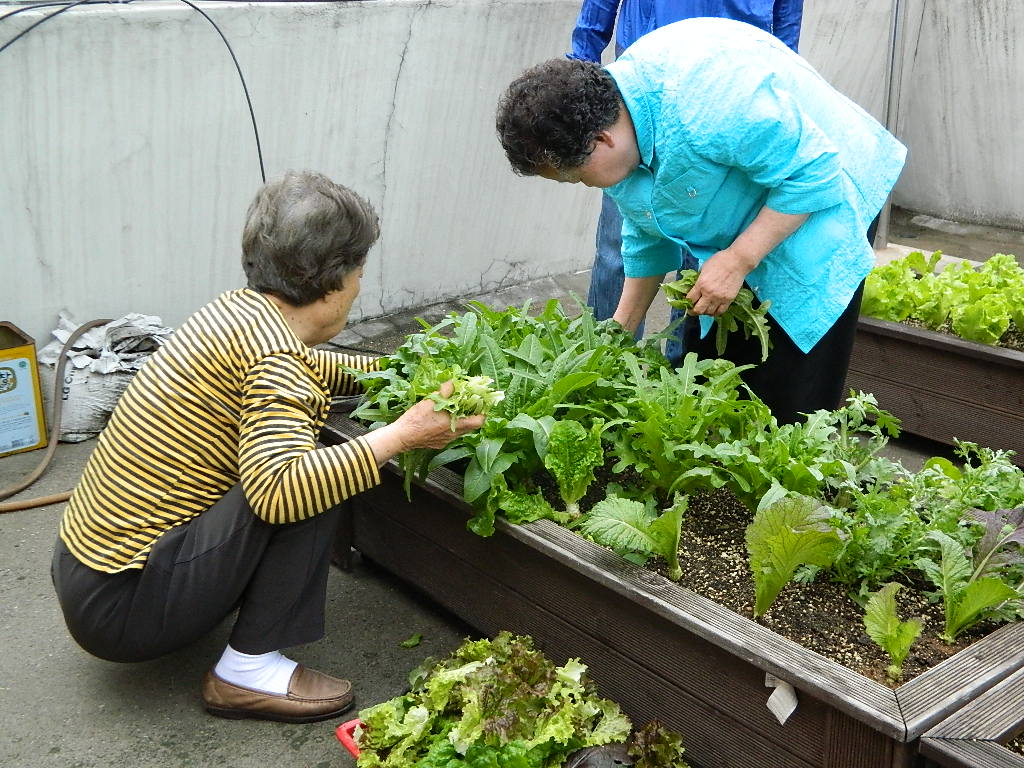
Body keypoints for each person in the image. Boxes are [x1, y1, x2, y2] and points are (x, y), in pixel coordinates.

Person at [51, 170, 485, 723]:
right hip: (124, 609)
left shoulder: (239, 312)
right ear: (333, 281)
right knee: (315, 479)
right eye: (358, 271)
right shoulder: (276, 363)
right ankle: (246, 672)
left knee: (305, 462)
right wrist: (401, 435)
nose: (358, 285)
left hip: (85, 572)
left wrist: (395, 371)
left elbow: (307, 366)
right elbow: (281, 491)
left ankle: (222, 633)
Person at [495, 18, 906, 424]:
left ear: (602, 141)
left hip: (823, 192)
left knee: (788, 389)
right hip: (751, 195)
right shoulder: (616, 128)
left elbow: (814, 173)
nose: (581, 184)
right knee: (712, 377)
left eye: (575, 175)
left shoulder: (707, 103)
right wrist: (622, 328)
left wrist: (739, 258)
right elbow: (645, 229)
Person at [568, 2, 804, 364]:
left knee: (704, 263)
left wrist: (783, 71)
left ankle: (680, 377)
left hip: (726, 100)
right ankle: (602, 367)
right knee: (623, 248)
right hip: (638, 103)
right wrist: (578, 75)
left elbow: (787, 11)